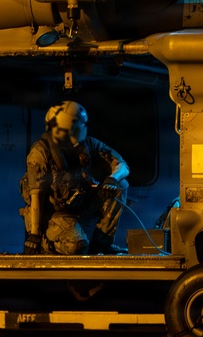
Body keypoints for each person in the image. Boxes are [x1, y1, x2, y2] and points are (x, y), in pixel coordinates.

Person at [20, 101, 130, 255]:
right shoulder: (41, 152)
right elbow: (36, 194)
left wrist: (113, 179)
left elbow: (122, 165)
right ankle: (48, 244)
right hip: (54, 214)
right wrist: (34, 235)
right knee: (78, 246)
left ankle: (102, 244)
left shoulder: (89, 145)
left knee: (121, 185)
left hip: (79, 207)